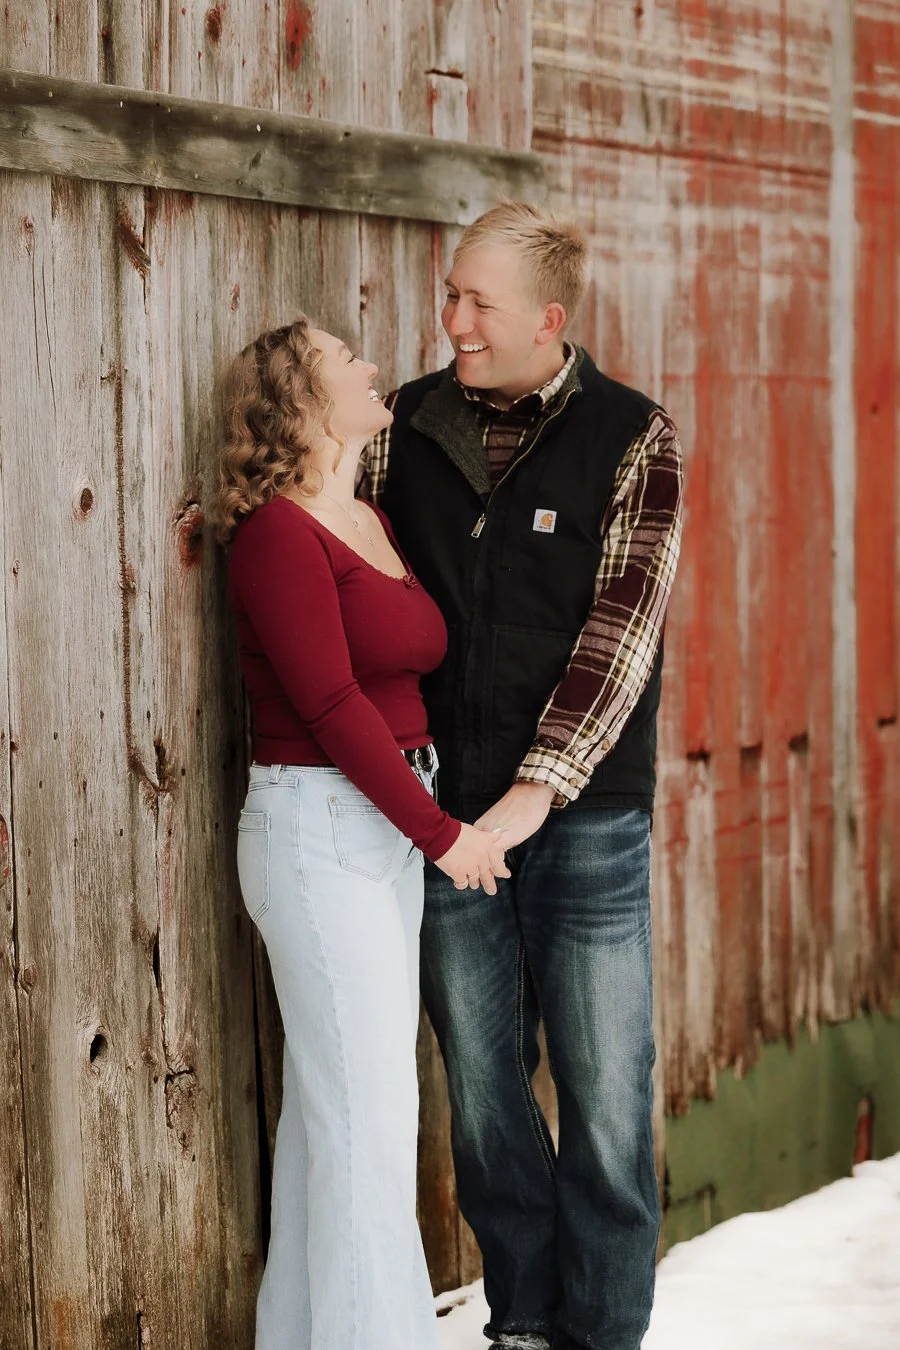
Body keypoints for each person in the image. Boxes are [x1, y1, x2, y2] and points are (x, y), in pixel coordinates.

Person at [361, 202, 684, 1350]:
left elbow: (621, 637)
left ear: (548, 320)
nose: (450, 321)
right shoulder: (403, 425)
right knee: (486, 1091)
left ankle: (602, 1332)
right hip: (449, 812)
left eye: (475, 303)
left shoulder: (634, 436)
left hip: (586, 816)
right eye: (449, 296)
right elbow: (334, 543)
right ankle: (527, 1321)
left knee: (604, 1091)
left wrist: (533, 793)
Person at [212, 317, 509, 1350]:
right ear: (300, 398)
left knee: (334, 1125)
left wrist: (422, 828)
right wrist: (442, 834)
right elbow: (332, 705)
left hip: (378, 833)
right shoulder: (276, 536)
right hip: (317, 834)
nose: (374, 366)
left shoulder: (371, 520)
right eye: (348, 360)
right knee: (368, 1133)